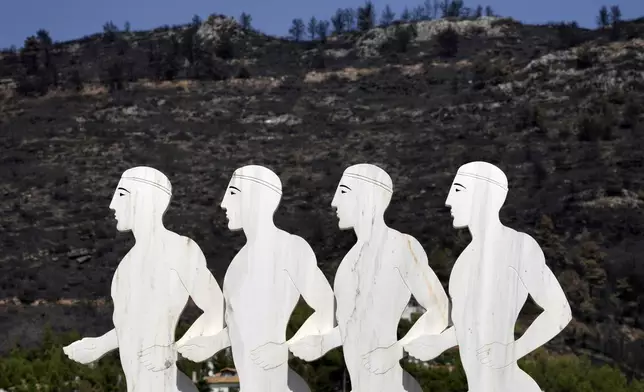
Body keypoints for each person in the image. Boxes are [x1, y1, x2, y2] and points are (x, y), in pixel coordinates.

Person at [404, 161, 573, 392]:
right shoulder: (463, 263)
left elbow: (560, 311)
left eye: (458, 190)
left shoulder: (518, 246)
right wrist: (441, 343)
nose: (448, 200)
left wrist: (512, 350)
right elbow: (470, 326)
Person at [289, 164, 450, 392]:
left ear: (368, 197)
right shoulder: (347, 264)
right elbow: (353, 328)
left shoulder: (401, 246)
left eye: (343, 191)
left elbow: (440, 310)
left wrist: (396, 351)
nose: (334, 201)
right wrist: (324, 342)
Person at [63, 166, 223, 392]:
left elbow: (216, 310)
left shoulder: (179, 249)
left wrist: (172, 351)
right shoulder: (124, 267)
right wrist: (98, 345)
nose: (112, 204)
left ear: (144, 198)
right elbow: (133, 328)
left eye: (121, 194)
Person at [177, 165, 335, 392]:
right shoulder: (235, 266)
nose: (223, 203)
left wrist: (285, 348)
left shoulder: (290, 248)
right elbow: (239, 328)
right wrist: (213, 343)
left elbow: (328, 308)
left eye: (232, 193)